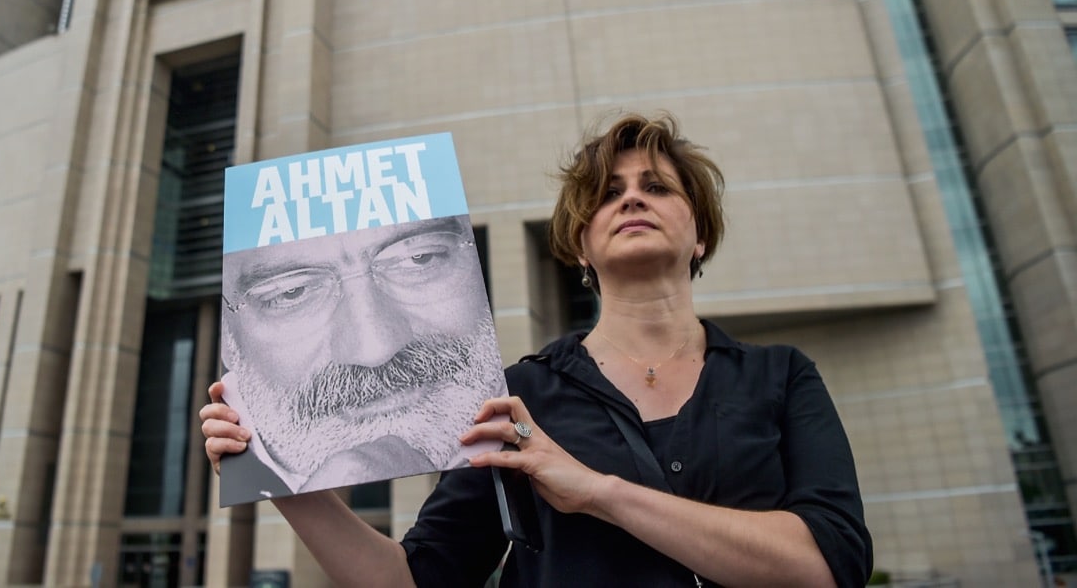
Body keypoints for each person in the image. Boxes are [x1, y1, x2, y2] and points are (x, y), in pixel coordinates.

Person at [202, 113, 873, 585]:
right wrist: (281, 481)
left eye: (657, 187)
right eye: (609, 194)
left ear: (700, 234)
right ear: (580, 245)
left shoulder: (780, 376)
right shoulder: (515, 396)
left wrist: (597, 491)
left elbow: (827, 565)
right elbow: (415, 581)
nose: (631, 198)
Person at [216, 213, 506, 503]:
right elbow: (425, 550)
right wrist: (262, 482)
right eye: (292, 293)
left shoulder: (528, 387)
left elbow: (525, 427)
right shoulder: (239, 451)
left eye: (419, 258)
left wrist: (528, 434)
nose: (375, 351)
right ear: (228, 339)